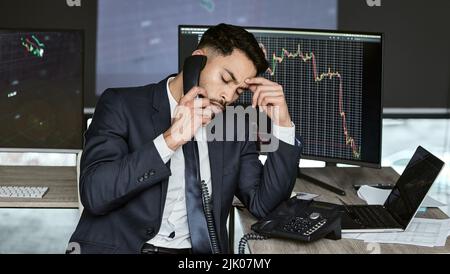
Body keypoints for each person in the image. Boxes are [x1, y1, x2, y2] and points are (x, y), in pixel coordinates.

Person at [67, 23, 302, 254]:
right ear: (197, 60)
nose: (228, 96)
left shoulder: (235, 125)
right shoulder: (121, 104)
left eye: (239, 90)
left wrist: (283, 123)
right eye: (226, 78)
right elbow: (95, 194)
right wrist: (170, 140)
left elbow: (264, 205)